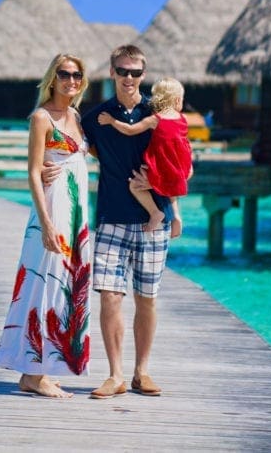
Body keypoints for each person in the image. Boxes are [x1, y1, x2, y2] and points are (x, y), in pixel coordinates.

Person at [0, 54, 92, 398]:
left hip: (76, 213)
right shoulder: (42, 118)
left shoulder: (76, 116)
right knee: (43, 282)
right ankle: (32, 373)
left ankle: (43, 368)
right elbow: (34, 172)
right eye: (64, 74)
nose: (71, 80)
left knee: (65, 284)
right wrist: (47, 224)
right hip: (53, 212)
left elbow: (77, 158)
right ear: (52, 78)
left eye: (77, 75)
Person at [80, 44, 172, 399]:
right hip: (112, 218)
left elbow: (183, 163)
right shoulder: (96, 116)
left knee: (146, 298)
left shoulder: (158, 113)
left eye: (136, 72)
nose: (129, 78)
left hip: (153, 221)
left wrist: (161, 184)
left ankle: (141, 372)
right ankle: (115, 374)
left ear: (143, 75)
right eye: (123, 71)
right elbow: (78, 148)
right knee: (109, 297)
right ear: (112, 73)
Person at [97, 76, 193, 238]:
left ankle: (155, 212)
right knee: (171, 187)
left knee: (135, 185)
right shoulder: (182, 119)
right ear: (177, 101)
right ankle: (176, 215)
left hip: (161, 166)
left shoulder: (155, 120)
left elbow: (130, 129)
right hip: (180, 166)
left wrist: (111, 121)